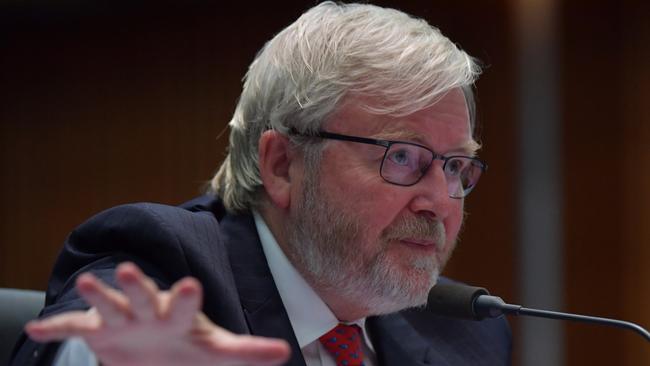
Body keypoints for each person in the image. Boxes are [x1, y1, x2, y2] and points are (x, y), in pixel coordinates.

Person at [11, 2, 511, 365]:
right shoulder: (166, 261)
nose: (439, 201)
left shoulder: (463, 335)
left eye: (454, 166)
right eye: (402, 157)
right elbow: (82, 343)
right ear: (282, 165)